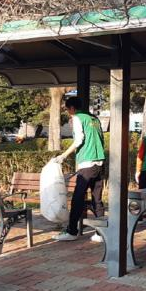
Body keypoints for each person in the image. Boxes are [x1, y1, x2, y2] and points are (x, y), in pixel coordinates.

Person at [50, 96, 106, 242]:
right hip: (99, 163)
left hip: (87, 163)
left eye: (67, 109)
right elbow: (101, 139)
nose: (68, 112)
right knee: (97, 199)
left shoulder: (77, 118)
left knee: (77, 199)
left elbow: (79, 140)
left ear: (72, 108)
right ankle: (101, 233)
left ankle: (72, 231)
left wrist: (63, 155)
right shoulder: (94, 119)